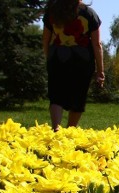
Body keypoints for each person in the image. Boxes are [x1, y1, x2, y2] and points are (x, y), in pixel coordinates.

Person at [42, 0, 104, 132]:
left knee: (56, 96)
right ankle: (70, 131)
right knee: (78, 96)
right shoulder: (89, 13)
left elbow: (46, 39)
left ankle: (56, 129)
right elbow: (97, 44)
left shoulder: (52, 12)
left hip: (57, 57)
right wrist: (100, 71)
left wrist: (49, 58)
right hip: (81, 61)